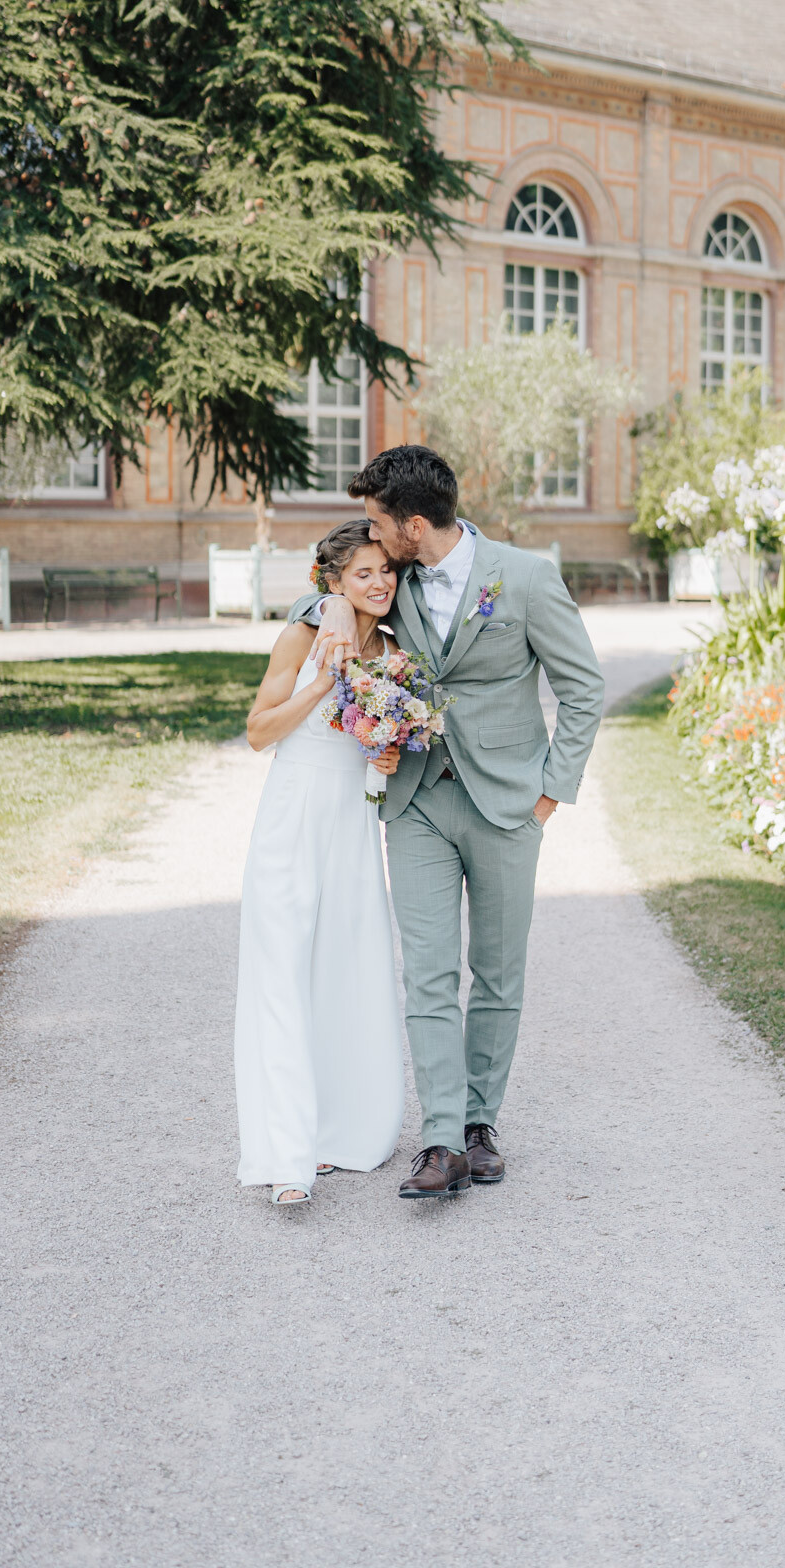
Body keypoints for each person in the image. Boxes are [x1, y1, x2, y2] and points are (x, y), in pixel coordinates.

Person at [289, 444, 603, 1200]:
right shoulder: (389, 579)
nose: (371, 537)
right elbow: (332, 593)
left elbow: (584, 687)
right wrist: (331, 602)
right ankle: (439, 1141)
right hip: (420, 803)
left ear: (414, 522)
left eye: (377, 521)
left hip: (507, 805)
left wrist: (550, 795)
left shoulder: (525, 577)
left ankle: (478, 1126)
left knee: (497, 975)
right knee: (427, 973)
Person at [235, 520, 405, 1206]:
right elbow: (257, 732)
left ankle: (338, 1129)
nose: (380, 582)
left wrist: (385, 750)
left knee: (345, 970)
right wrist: (320, 687)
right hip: (292, 816)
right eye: (363, 573)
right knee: (280, 974)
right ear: (334, 582)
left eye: (387, 570)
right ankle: (285, 1157)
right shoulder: (304, 636)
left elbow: (373, 737)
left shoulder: (394, 651)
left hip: (353, 824)